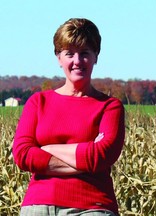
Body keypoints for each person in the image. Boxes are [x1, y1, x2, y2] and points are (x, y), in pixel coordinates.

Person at [12, 18, 125, 216]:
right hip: (38, 206)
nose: (77, 61)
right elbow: (22, 155)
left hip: (92, 207)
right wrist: (85, 160)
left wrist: (46, 149)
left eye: (85, 53)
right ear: (59, 58)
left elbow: (102, 155)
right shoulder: (38, 102)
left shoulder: (109, 107)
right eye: (69, 54)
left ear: (96, 56)